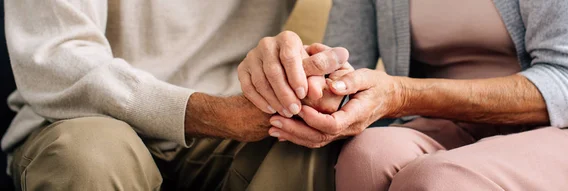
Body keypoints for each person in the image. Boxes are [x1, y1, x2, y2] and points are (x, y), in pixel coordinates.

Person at [240, 0, 568, 190]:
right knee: (366, 157)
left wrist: (400, 94)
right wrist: (316, 83)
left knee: (438, 181)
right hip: (439, 123)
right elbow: (347, 61)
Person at [3, 0, 349, 190]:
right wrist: (215, 114)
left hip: (239, 120)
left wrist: (316, 81)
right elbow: (56, 59)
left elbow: (365, 24)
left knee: (316, 146)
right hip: (87, 116)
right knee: (88, 159)